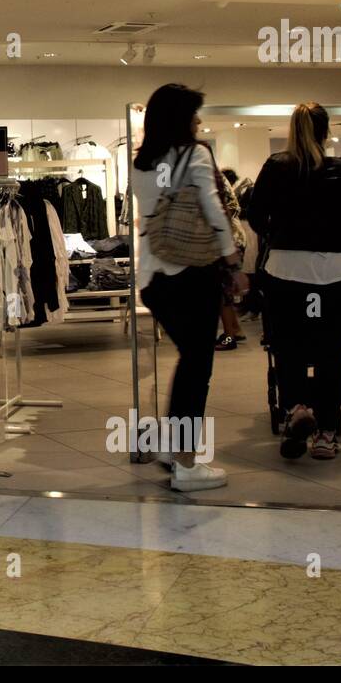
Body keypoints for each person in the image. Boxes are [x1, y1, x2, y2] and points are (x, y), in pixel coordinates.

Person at [132, 84, 240, 491]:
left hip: (153, 280)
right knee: (197, 366)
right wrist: (232, 260)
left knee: (189, 360)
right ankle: (186, 463)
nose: (199, 122)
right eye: (194, 115)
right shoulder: (195, 155)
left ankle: (173, 448)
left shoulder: (141, 164)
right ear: (181, 119)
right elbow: (214, 210)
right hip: (192, 274)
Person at [248, 104, 341, 460]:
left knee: (289, 348)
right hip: (338, 270)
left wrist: (281, 233)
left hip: (288, 268)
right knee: (333, 351)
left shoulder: (276, 167)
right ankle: (327, 432)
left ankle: (297, 408)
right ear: (326, 131)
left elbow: (255, 216)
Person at [214, 166, 249, 351]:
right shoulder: (217, 176)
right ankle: (235, 329)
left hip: (228, 239)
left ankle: (229, 335)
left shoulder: (210, 176)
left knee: (223, 290)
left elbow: (224, 210)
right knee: (224, 287)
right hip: (233, 237)